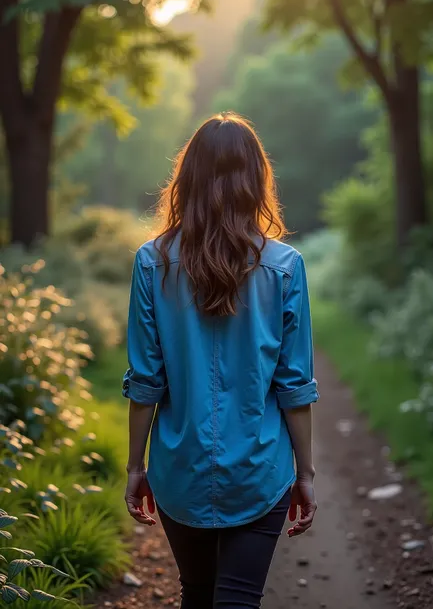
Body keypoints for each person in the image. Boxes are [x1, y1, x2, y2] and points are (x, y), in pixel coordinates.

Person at [123, 113, 319, 609]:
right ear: (256, 179)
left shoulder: (152, 261)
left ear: (186, 179)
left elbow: (147, 379)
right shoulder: (285, 266)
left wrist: (134, 467)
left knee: (198, 593)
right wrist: (306, 475)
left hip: (178, 467)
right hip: (260, 469)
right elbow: (294, 384)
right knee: (238, 599)